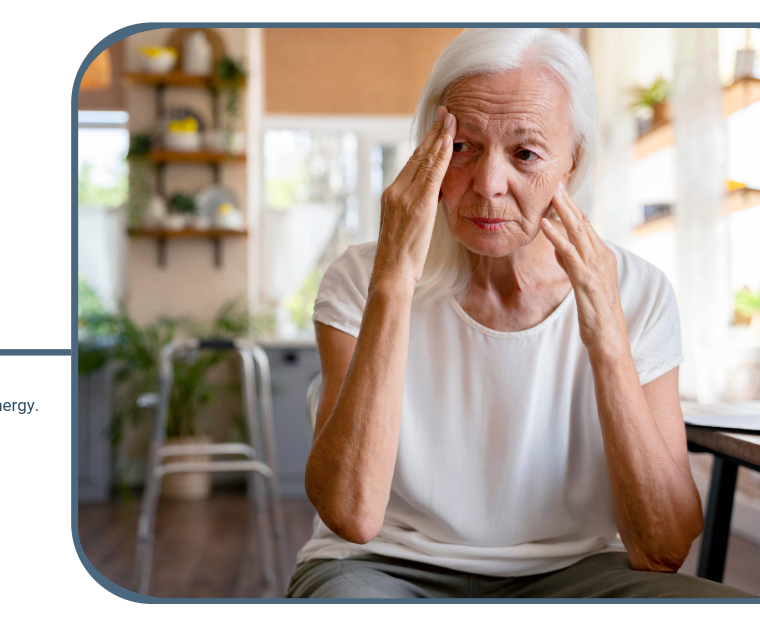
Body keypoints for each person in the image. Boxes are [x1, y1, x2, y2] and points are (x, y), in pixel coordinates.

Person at [289, 28, 755, 599]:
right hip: (380, 565)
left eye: (526, 153)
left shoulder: (639, 291)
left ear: (572, 163)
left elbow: (662, 546)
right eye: (461, 147)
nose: (488, 186)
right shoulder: (363, 277)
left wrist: (606, 331)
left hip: (576, 573)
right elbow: (351, 515)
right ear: (427, 149)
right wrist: (393, 282)